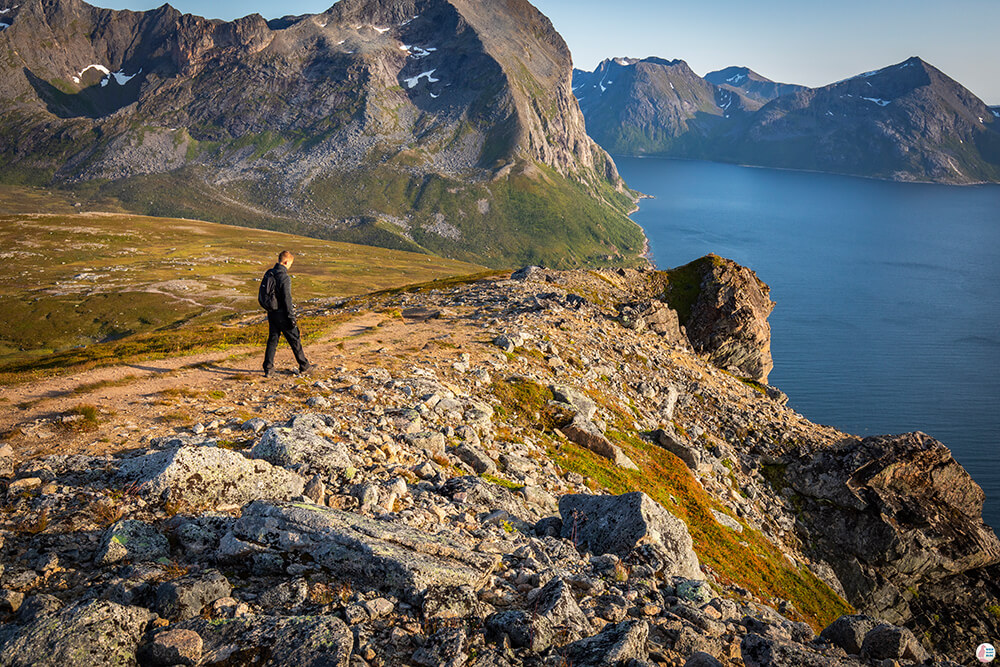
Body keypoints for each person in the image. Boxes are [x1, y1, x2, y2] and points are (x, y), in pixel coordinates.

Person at [261, 250, 313, 377]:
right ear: (286, 262)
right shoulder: (284, 277)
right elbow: (287, 299)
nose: (290, 267)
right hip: (283, 314)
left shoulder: (269, 273)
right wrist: (291, 317)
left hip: (271, 312)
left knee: (273, 339)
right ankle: (304, 366)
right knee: (294, 339)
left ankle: (268, 368)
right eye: (290, 264)